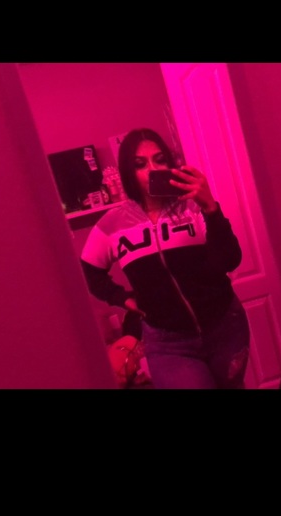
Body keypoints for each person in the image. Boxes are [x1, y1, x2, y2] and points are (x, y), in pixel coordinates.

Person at [80, 128, 251, 389]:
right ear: (128, 172)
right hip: (168, 343)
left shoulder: (192, 207)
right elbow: (87, 271)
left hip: (225, 326)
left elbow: (230, 260)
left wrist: (211, 208)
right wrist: (121, 298)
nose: (152, 169)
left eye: (160, 160)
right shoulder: (112, 225)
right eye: (140, 164)